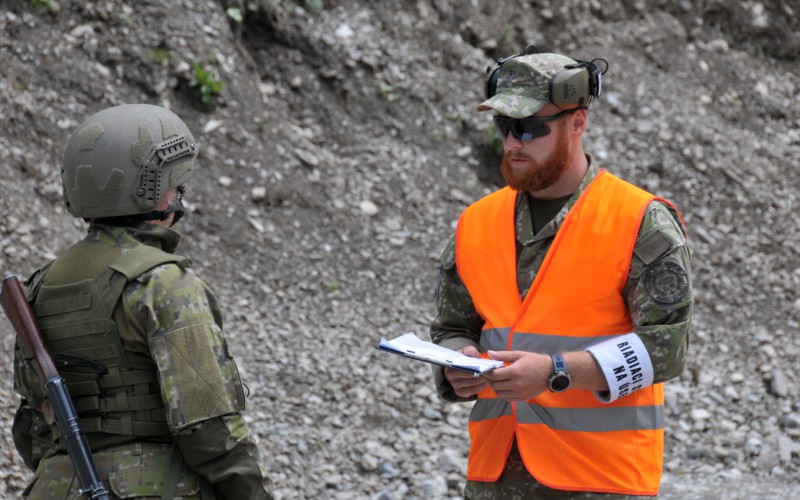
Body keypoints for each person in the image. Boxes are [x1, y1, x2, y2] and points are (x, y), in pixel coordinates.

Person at [430, 49, 693, 498]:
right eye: (505, 127)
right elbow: (453, 327)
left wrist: (555, 372)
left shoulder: (639, 220)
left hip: (599, 481)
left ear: (577, 123)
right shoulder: (475, 222)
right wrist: (458, 365)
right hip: (494, 477)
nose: (514, 142)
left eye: (531, 128)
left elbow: (667, 346)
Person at [12, 103, 274, 499]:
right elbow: (209, 430)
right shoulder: (165, 284)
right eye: (176, 184)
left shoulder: (39, 287)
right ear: (150, 186)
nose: (181, 193)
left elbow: (33, 430)